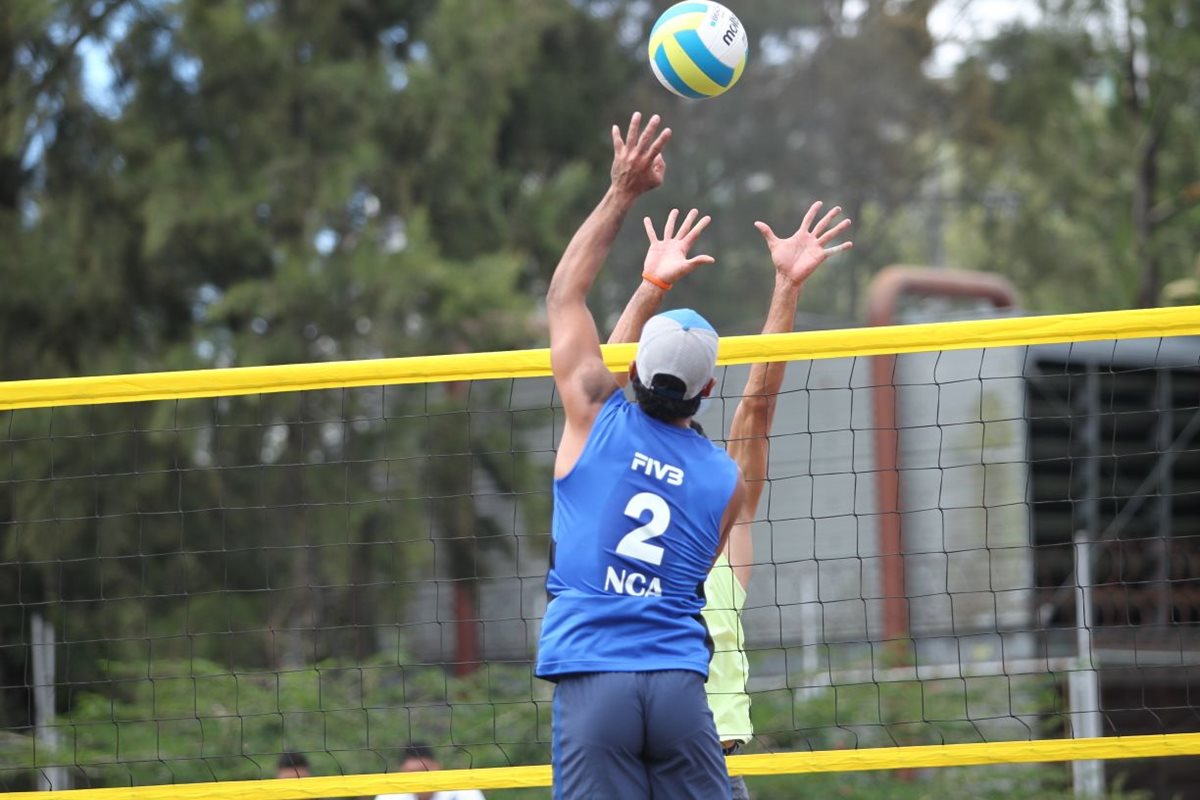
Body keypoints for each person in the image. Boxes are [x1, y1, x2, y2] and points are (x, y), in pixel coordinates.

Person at [610, 201, 853, 800]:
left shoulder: (710, 518)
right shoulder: (658, 514)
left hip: (705, 767)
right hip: (648, 761)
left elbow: (755, 407)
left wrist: (785, 287)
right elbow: (752, 408)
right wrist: (784, 284)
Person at [535, 110, 745, 799]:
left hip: (595, 678)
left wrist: (623, 192)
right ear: (708, 389)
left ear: (630, 367)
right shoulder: (722, 476)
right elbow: (696, 574)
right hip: (680, 687)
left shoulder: (594, 414)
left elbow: (565, 291)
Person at [374, 742, 485, 800]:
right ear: (402, 772)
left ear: (438, 767)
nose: (419, 777)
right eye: (412, 772)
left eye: (423, 770)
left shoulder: (464, 791)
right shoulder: (389, 796)